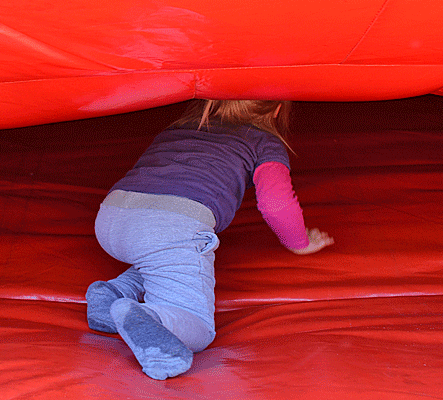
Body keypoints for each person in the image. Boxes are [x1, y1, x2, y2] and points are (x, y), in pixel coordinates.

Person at [85, 99, 334, 380]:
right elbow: (275, 203)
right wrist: (299, 242)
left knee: (164, 259)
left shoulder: (182, 127)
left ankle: (111, 295)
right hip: (171, 227)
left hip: (112, 217)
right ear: (277, 110)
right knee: (199, 328)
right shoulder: (263, 141)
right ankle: (152, 319)